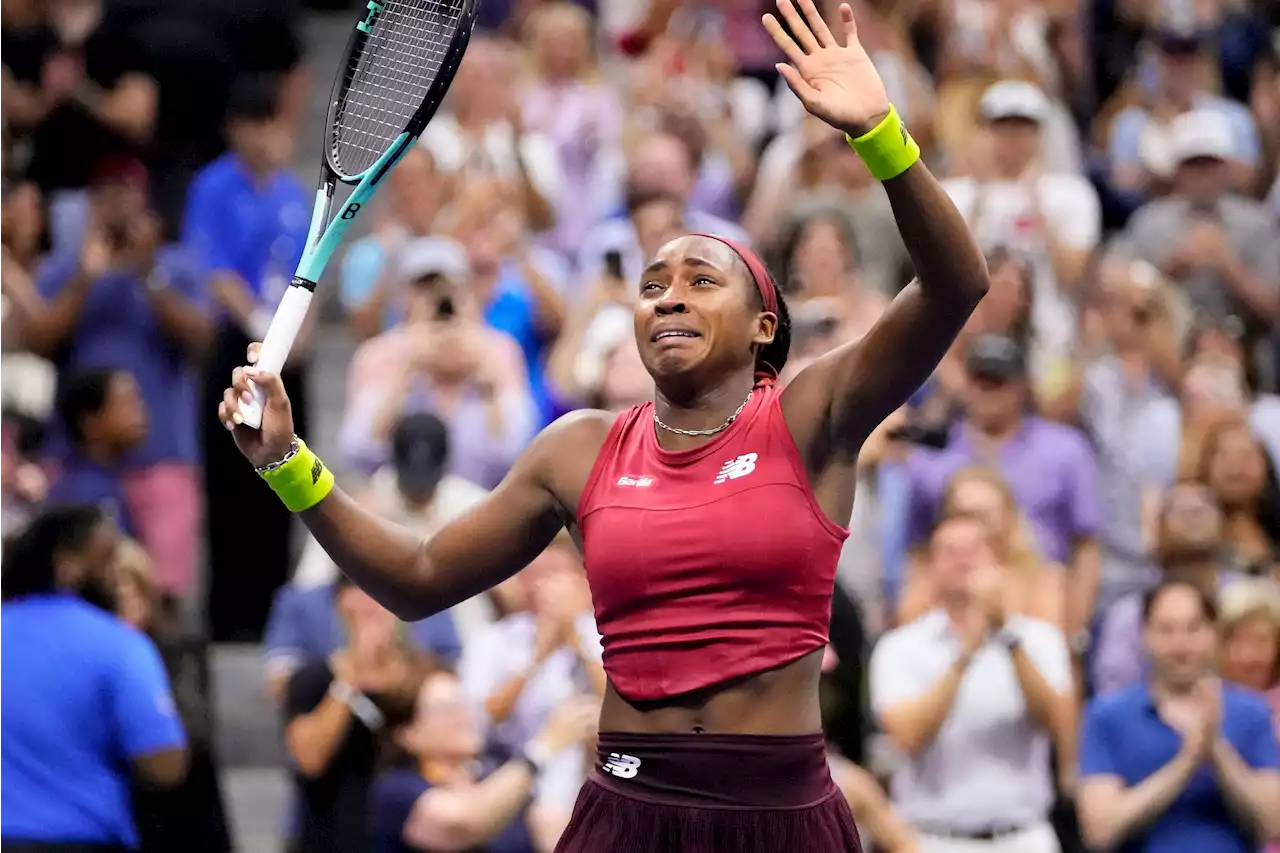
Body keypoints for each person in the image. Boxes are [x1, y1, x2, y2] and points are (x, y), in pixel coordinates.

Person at [218, 2, 988, 849]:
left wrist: (880, 132)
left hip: (781, 813)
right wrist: (287, 459)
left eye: (702, 279)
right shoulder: (579, 446)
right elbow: (420, 573)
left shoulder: (813, 415)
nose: (669, 295)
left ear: (766, 323)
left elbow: (955, 284)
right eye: (653, 284)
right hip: (626, 809)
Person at [0, 504, 189, 851]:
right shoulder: (119, 646)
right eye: (107, 561)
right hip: (82, 836)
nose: (117, 577)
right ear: (67, 567)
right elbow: (165, 765)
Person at [1077, 580, 1280, 852]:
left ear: (1213, 632)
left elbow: (1273, 822)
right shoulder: (1107, 715)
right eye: (1166, 630)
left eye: (1192, 628)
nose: (1180, 644)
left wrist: (1216, 749)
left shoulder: (1251, 711)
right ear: (1144, 635)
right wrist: (1187, 760)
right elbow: (1100, 830)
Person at [369, 666, 598, 853]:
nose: (463, 715)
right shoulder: (397, 789)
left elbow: (553, 830)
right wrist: (546, 746)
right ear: (407, 734)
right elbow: (466, 822)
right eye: (446, 708)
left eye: (463, 703)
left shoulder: (492, 774)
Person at [45, 367, 148, 537]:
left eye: (138, 400)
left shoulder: (110, 480)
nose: (140, 412)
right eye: (125, 403)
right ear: (90, 423)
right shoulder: (83, 495)